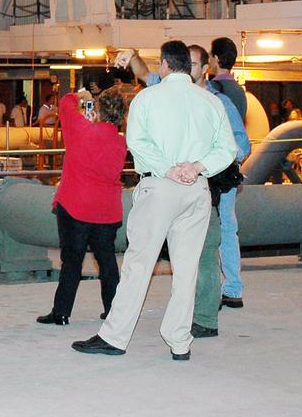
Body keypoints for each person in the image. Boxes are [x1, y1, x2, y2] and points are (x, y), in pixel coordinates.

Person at [74, 41, 236, 361]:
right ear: (188, 67)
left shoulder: (148, 98)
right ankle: (179, 342)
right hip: (197, 190)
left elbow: (138, 143)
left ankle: (115, 336)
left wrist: (170, 169)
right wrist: (196, 168)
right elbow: (227, 150)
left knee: (139, 264)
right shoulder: (210, 101)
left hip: (160, 187)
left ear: (163, 65)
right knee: (187, 269)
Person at [36, 86, 127, 326]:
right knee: (107, 261)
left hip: (75, 205)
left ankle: (62, 312)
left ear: (97, 109)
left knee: (72, 262)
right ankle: (113, 311)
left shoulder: (81, 130)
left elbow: (65, 104)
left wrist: (81, 96)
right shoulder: (121, 144)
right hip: (107, 210)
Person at [187, 45, 251, 336]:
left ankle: (226, 291)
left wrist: (219, 166)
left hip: (214, 181)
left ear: (207, 67)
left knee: (219, 233)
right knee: (220, 233)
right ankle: (226, 291)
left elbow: (241, 143)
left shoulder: (220, 100)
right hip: (203, 180)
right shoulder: (217, 97)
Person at [207, 37, 249, 310]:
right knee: (229, 229)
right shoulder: (240, 91)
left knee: (212, 229)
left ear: (215, 59)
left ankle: (214, 287)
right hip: (231, 172)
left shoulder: (215, 90)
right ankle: (233, 287)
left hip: (215, 171)